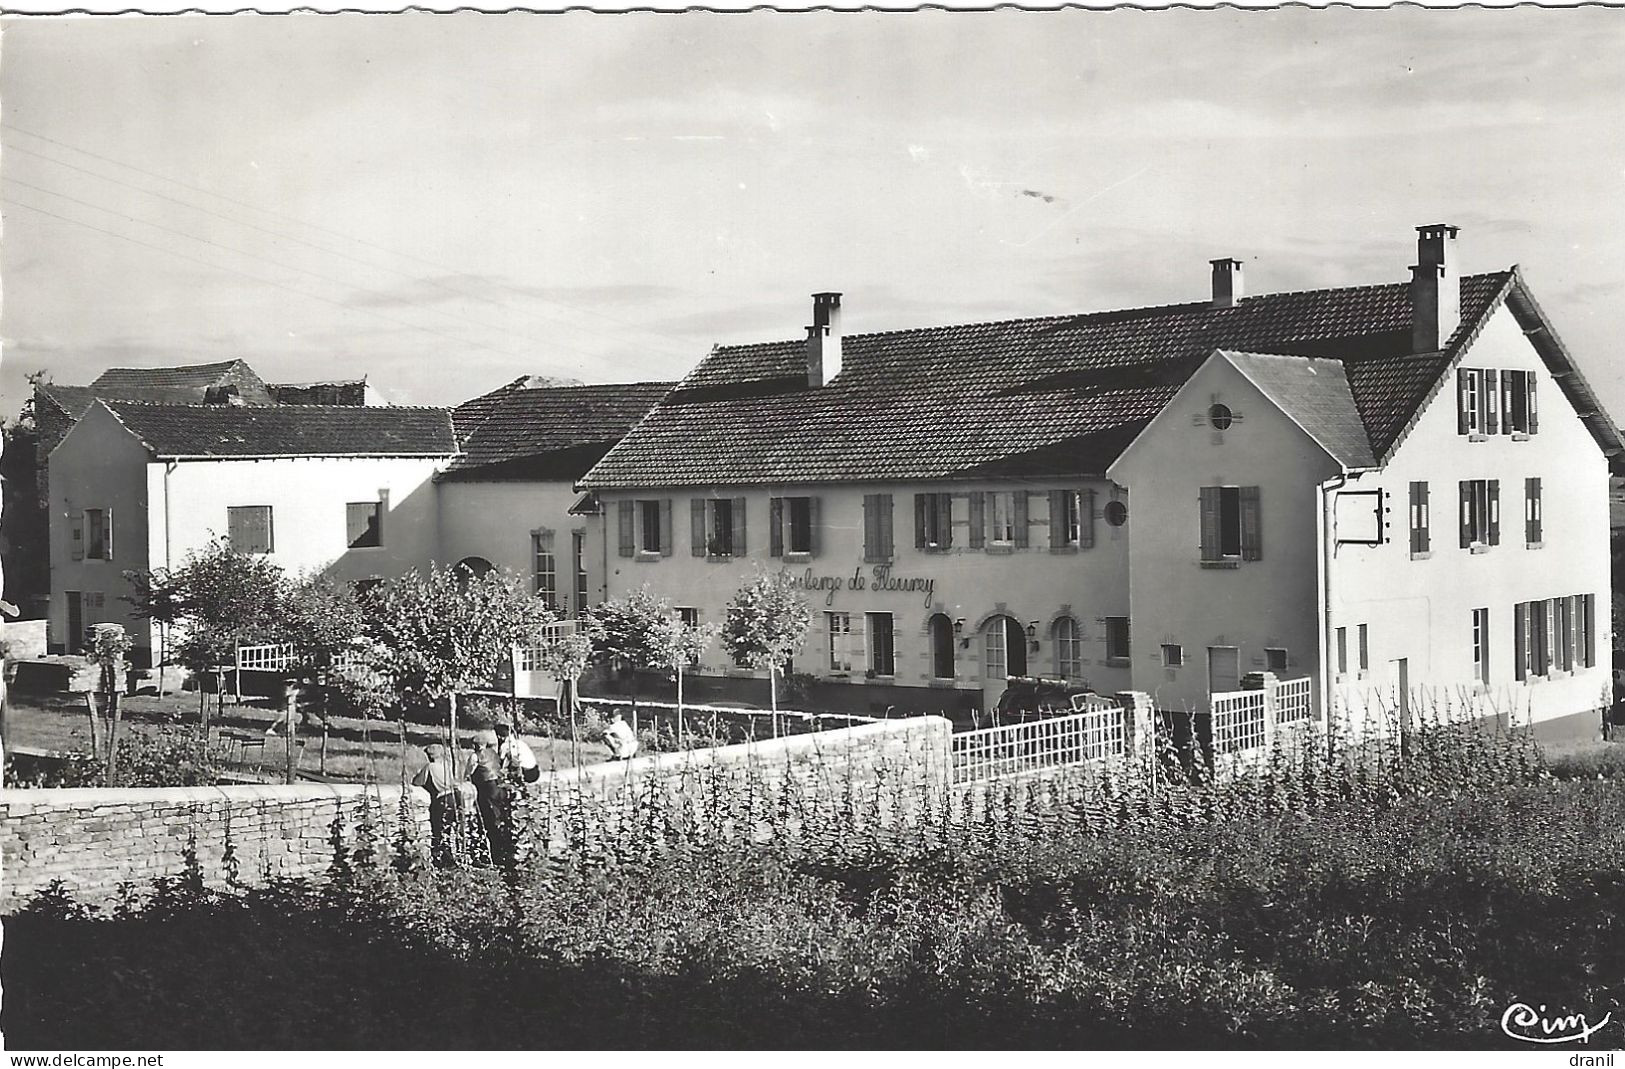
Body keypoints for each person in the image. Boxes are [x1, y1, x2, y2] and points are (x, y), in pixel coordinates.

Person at [412, 742, 472, 867]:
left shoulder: (430, 767)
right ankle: (460, 856)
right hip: (456, 795)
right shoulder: (446, 765)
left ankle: (445, 861)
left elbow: (417, 782)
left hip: (444, 798)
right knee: (456, 828)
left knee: (440, 829)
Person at [469, 728, 514, 868]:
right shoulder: (494, 753)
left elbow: (468, 773)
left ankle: (494, 855)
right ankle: (506, 851)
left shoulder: (475, 756)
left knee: (489, 821)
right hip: (499, 787)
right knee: (501, 817)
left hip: (487, 789)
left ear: (475, 745)